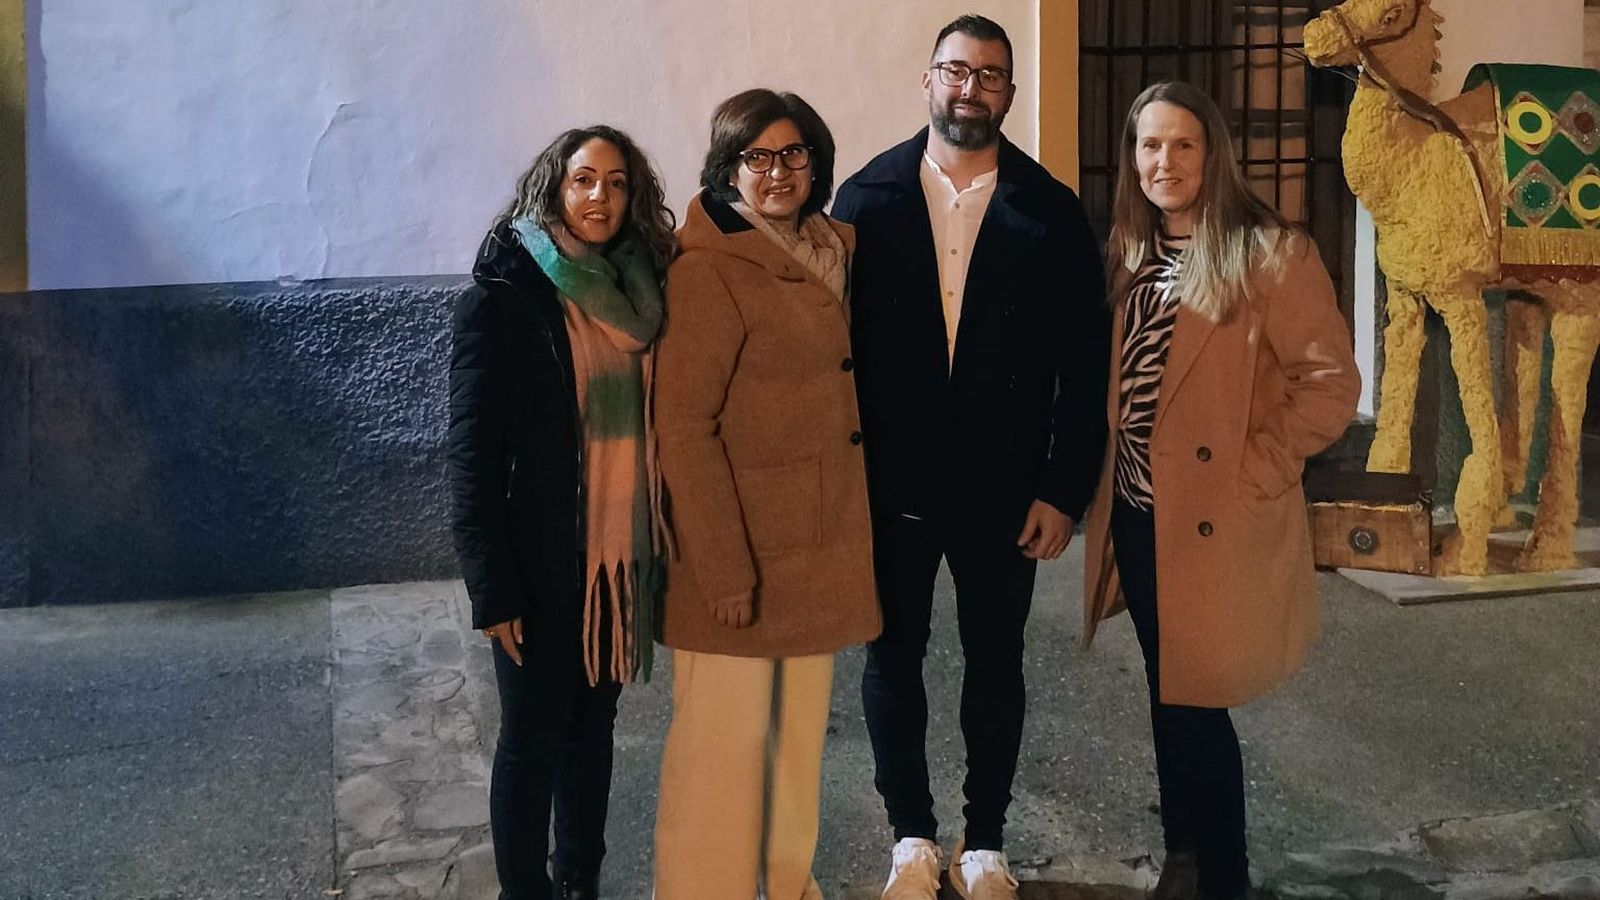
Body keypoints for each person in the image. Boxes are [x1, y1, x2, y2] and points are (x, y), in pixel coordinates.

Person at [831, 14, 1110, 900]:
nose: (970, 88)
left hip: (1007, 491)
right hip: (892, 488)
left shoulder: (1049, 209)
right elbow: (831, 354)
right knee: (891, 660)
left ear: (1010, 93)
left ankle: (984, 842)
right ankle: (911, 837)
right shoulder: (866, 199)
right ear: (928, 81)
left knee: (996, 663)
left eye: (989, 75)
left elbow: (1086, 364)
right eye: (956, 70)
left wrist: (1064, 489)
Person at [1081, 81, 1360, 900]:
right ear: (1132, 159)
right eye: (1149, 145)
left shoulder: (1270, 255)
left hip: (1212, 518)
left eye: (1183, 145)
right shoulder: (1131, 251)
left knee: (1199, 700)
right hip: (1140, 514)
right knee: (1170, 690)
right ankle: (1185, 853)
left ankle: (1222, 873)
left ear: (1213, 156)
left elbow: (1330, 387)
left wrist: (1256, 471)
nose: (1164, 162)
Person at [652, 88, 881, 900]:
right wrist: (723, 570)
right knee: (720, 753)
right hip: (741, 552)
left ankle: (788, 886)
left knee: (794, 751)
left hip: (815, 549)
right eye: (757, 157)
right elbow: (684, 430)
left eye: (794, 154)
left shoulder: (830, 248)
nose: (778, 171)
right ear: (728, 170)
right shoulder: (708, 271)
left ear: (816, 162)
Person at [447, 125, 675, 900]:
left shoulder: (642, 292)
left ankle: (580, 883)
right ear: (554, 186)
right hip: (538, 563)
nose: (600, 196)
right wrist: (493, 589)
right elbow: (471, 459)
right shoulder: (503, 300)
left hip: (613, 561)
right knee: (531, 742)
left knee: (591, 733)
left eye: (616, 182)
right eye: (584, 179)